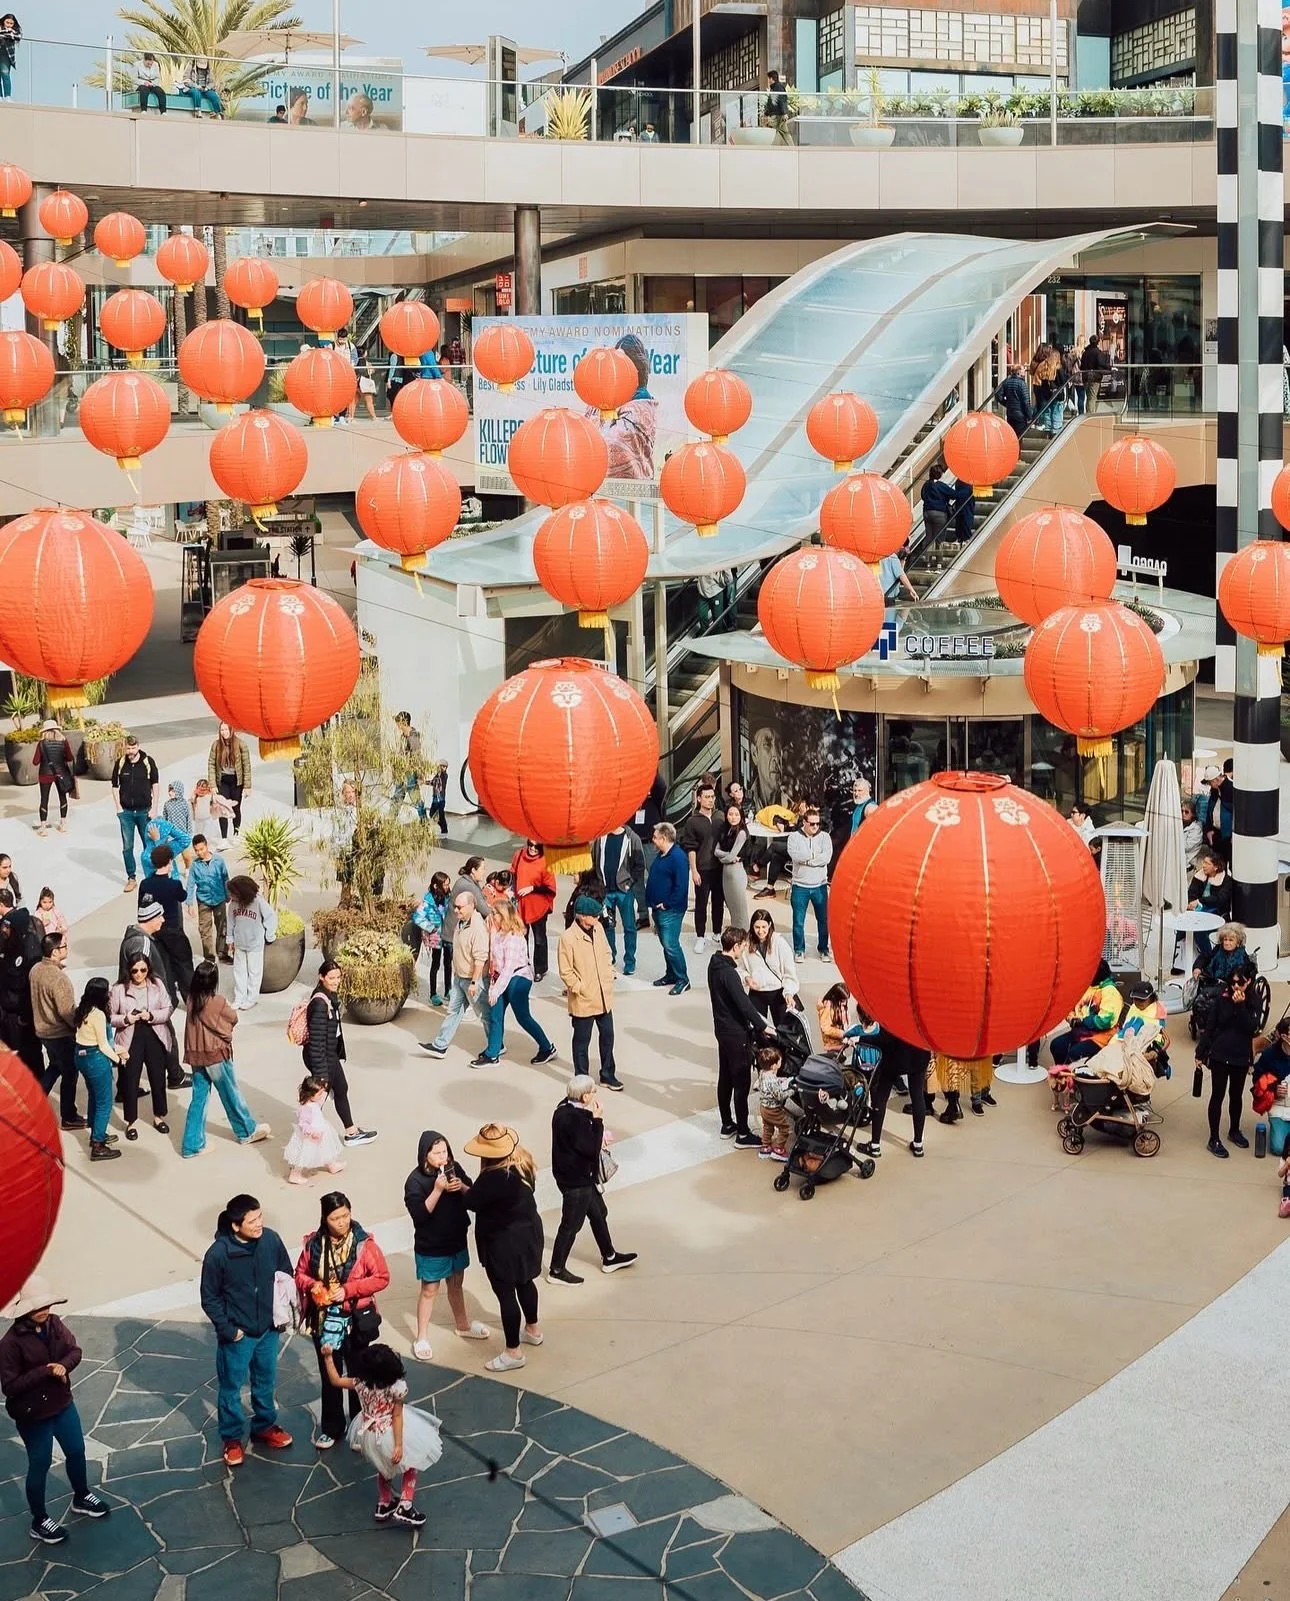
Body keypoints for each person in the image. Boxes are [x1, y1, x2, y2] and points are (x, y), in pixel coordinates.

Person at [0, 1277, 110, 1545]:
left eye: (47, 1304)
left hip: (61, 1404)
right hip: (33, 1415)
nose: (45, 1309)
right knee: (40, 1464)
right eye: (39, 1306)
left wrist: (63, 1366)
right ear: (24, 1308)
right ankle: (40, 1521)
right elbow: (10, 1386)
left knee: (76, 1450)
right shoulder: (10, 1344)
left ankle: (81, 1495)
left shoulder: (55, 1325)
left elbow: (75, 1351)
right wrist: (46, 1370)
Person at [199, 1195, 294, 1467]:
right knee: (231, 1388)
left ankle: (265, 1426)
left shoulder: (271, 1240)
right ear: (236, 1226)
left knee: (265, 1382)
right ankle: (231, 1438)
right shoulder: (218, 1254)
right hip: (238, 1337)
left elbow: (284, 1273)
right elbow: (210, 1298)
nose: (259, 1224)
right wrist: (230, 1330)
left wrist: (280, 1311)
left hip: (267, 1330)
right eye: (252, 1221)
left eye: (260, 1217)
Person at [294, 1191, 390, 1450]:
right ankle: (332, 1427)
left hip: (355, 1319)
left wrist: (349, 1290)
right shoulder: (313, 1245)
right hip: (324, 1321)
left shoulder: (364, 1244)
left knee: (358, 1374)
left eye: (345, 1215)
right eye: (335, 1217)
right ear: (325, 1219)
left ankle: (361, 1426)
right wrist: (314, 1285)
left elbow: (381, 1277)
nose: (342, 1222)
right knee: (330, 1375)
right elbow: (299, 1273)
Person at [320, 1343, 439, 1528]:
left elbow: (335, 1380)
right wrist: (399, 1444)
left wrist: (328, 1358)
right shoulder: (396, 1388)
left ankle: (384, 1503)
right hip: (389, 1432)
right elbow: (397, 1416)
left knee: (383, 1467)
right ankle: (405, 1505)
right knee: (411, 1465)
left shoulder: (359, 1383)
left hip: (368, 1433)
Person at [463, 1124, 544, 1371]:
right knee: (526, 1282)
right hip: (529, 1235)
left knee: (506, 1294)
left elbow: (471, 1201)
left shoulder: (493, 1177)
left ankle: (513, 1352)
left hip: (504, 1242)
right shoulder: (523, 1163)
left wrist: (462, 1188)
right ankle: (533, 1329)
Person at [405, 1131, 490, 1362]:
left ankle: (462, 1324)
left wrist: (460, 1186)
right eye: (438, 1152)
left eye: (445, 1151)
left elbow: (473, 1196)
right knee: (429, 1290)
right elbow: (419, 1216)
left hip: (456, 1238)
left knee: (456, 1283)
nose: (443, 1156)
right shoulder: (415, 1181)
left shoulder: (454, 1168)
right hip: (431, 1245)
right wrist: (438, 1190)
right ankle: (421, 1337)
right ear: (425, 1155)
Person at [547, 1076, 637, 1284]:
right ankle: (556, 1270)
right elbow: (590, 1148)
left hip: (576, 1177)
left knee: (598, 1214)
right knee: (570, 1225)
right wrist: (597, 1120)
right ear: (585, 1095)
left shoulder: (562, 1109)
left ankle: (610, 1256)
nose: (595, 1094)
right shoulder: (575, 1119)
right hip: (577, 1181)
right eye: (593, 1091)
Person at [182, 960, 269, 1158]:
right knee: (231, 1094)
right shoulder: (217, 1002)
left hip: (196, 1055)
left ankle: (191, 1145)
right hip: (215, 1055)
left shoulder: (191, 999)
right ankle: (246, 1131)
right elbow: (233, 1018)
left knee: (199, 1099)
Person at [708, 926, 779, 1145]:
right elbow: (744, 1005)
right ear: (736, 946)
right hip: (736, 1033)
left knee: (725, 1077)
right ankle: (742, 1133)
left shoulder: (714, 964)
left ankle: (727, 1123)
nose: (744, 950)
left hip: (721, 1030)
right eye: (743, 946)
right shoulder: (729, 974)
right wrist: (763, 1026)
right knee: (741, 1082)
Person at [475, 900, 557, 1069]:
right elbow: (495, 963)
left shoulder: (514, 937)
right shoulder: (498, 933)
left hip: (518, 978)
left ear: (504, 915)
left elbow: (509, 968)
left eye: (495, 914)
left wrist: (495, 991)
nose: (492, 917)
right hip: (502, 977)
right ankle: (493, 1053)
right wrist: (493, 986)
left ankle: (547, 1047)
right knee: (495, 1015)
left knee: (523, 1017)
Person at [303, 959, 376, 1146]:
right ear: (321, 977)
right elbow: (316, 1041)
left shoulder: (329, 996)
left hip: (329, 1055)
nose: (336, 981)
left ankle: (351, 1131)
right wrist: (321, 1075)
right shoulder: (320, 1003)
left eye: (338, 977)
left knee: (340, 1089)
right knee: (317, 1100)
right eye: (331, 977)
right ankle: (307, 1139)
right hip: (322, 1058)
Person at [558, 897, 621, 1090]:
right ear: (582, 917)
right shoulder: (567, 938)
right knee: (581, 1041)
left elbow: (607, 953)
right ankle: (582, 1079)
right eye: (594, 916)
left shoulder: (598, 929)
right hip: (584, 999)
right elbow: (565, 970)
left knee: (608, 1035)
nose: (597, 918)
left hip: (603, 995)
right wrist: (579, 988)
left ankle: (608, 1074)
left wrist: (610, 973)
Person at [1197, 963, 1260, 1158]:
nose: (1235, 987)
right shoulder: (1221, 998)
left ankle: (1234, 1130)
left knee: (1236, 1095)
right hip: (1220, 1053)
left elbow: (1251, 1028)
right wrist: (1201, 1052)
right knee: (1218, 1095)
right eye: (1232, 982)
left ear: (1249, 981)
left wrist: (1240, 1006)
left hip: (1240, 1055)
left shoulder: (1254, 1001)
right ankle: (1213, 1138)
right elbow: (1211, 1025)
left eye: (1240, 983)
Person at [110, 951, 175, 1140]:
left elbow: (167, 1009)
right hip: (130, 1036)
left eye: (143, 970)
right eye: (134, 971)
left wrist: (152, 1015)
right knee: (130, 1080)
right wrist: (126, 1018)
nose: (139, 974)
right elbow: (111, 1016)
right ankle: (131, 1121)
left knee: (157, 1077)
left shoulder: (157, 985)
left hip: (153, 1033)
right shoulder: (118, 989)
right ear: (128, 971)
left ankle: (159, 1116)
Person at [422, 889, 493, 1058]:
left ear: (471, 906)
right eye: (455, 907)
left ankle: (496, 1044)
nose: (456, 910)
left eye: (460, 907)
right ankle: (440, 1045)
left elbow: (480, 958)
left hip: (473, 981)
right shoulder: (461, 922)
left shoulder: (477, 927)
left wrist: (475, 982)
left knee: (485, 1015)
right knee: (453, 1012)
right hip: (460, 978)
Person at [30, 932, 82, 1131]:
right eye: (64, 946)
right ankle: (68, 1116)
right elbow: (67, 1012)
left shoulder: (35, 969)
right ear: (54, 952)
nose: (67, 948)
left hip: (42, 1032)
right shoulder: (59, 979)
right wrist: (79, 1025)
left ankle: (36, 1104)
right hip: (60, 1034)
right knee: (69, 1073)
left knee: (55, 1067)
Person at [595, 333, 657, 480]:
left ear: (636, 367)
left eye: (622, 364)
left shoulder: (641, 404)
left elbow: (612, 446)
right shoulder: (612, 399)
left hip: (633, 493)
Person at [861, 1026, 929, 1159]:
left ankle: (875, 1145)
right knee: (917, 1096)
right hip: (920, 1054)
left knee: (881, 1098)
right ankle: (918, 1144)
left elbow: (884, 1039)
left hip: (894, 1058)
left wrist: (859, 1038)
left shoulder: (892, 1007)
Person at [73, 979, 122, 1161]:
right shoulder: (98, 1015)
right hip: (95, 1058)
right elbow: (103, 1045)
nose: (109, 994)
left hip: (81, 1056)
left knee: (94, 1096)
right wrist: (118, 1060)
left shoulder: (83, 1010)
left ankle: (96, 1132)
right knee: (105, 1103)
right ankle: (98, 1145)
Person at [1048, 959, 1123, 1064]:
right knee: (1057, 1045)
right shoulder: (1085, 987)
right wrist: (1071, 1018)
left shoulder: (1110, 992)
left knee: (1075, 1053)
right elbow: (1071, 1008)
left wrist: (1082, 1021)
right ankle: (1062, 1074)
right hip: (1079, 1032)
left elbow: (1106, 1021)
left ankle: (1075, 1076)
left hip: (1101, 1037)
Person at [592, 825, 644, 975]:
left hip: (624, 892)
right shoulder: (600, 837)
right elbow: (593, 861)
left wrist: (629, 884)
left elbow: (640, 865)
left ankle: (630, 961)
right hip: (605, 891)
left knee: (629, 927)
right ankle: (610, 957)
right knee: (607, 925)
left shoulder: (632, 838)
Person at [645, 821, 690, 994]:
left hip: (670, 910)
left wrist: (667, 904)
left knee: (671, 945)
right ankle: (671, 974)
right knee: (666, 944)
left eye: (655, 837)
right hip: (659, 909)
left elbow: (681, 886)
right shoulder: (662, 854)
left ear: (664, 838)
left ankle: (683, 979)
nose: (653, 840)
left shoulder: (678, 857)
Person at [112, 735, 159, 891]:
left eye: (133, 748)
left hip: (144, 810)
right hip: (126, 813)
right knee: (127, 847)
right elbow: (114, 786)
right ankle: (131, 877)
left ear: (138, 746)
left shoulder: (148, 762)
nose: (130, 751)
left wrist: (155, 807)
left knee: (148, 844)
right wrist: (118, 807)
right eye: (128, 748)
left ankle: (152, 875)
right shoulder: (120, 763)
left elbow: (155, 784)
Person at [681, 780, 722, 953]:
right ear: (699, 799)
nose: (710, 800)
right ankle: (700, 936)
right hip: (702, 868)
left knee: (718, 902)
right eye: (706, 797)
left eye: (712, 797)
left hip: (720, 867)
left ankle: (718, 933)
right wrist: (694, 870)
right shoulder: (692, 821)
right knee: (701, 903)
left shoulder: (720, 816)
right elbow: (691, 848)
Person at [740, 908, 799, 1027]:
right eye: (757, 927)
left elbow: (789, 972)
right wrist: (746, 978)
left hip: (778, 992)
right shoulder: (746, 944)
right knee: (756, 1030)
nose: (760, 931)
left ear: (770, 925)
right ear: (752, 926)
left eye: (763, 927)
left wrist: (789, 993)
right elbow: (741, 967)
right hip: (757, 992)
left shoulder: (780, 943)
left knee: (784, 1031)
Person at [0, 900, 41, 1073]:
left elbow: (30, 987)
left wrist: (25, 1016)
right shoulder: (7, 947)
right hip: (6, 1015)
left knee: (29, 1057)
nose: (4, 930)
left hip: (21, 1019)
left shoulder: (29, 951)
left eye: (8, 928)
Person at [226, 874, 277, 1011]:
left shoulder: (258, 902)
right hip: (239, 943)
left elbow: (270, 917)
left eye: (233, 893)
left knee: (254, 972)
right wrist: (230, 939)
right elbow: (230, 922)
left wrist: (270, 935)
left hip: (255, 944)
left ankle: (251, 998)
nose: (230, 895)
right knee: (239, 971)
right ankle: (239, 997)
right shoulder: (233, 905)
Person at [787, 807, 832, 961]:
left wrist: (807, 859)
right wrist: (813, 856)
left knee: (823, 920)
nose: (815, 827)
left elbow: (826, 858)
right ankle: (799, 949)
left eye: (817, 824)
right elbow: (795, 855)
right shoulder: (793, 837)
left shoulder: (825, 837)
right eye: (812, 824)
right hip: (800, 885)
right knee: (798, 921)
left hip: (819, 885)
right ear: (804, 822)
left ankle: (823, 948)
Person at [510, 840, 557, 982]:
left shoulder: (545, 861)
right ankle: (522, 965)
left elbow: (550, 887)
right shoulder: (519, 855)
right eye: (530, 845)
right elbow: (513, 873)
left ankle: (540, 969)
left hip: (538, 906)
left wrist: (532, 888)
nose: (533, 848)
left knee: (539, 939)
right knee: (521, 938)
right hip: (521, 905)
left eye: (536, 846)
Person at [286, 1077, 347, 1184]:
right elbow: (303, 1124)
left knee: (326, 1148)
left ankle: (331, 1165)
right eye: (319, 1094)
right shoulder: (306, 1108)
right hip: (311, 1135)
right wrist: (311, 1132)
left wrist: (324, 1085)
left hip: (321, 1131)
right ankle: (295, 1174)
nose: (321, 1096)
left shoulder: (314, 1101)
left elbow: (323, 1095)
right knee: (304, 1155)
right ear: (310, 1094)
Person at [187, 834, 231, 962]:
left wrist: (228, 894)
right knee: (205, 930)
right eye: (196, 850)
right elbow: (190, 884)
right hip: (204, 901)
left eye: (201, 849)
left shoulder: (219, 861)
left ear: (206, 846)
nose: (199, 852)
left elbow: (225, 878)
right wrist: (189, 904)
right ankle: (209, 957)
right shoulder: (195, 866)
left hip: (219, 899)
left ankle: (223, 953)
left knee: (222, 926)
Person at [208, 723, 251, 845]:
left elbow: (246, 766)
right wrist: (212, 785)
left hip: (237, 781)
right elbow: (211, 764)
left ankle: (236, 833)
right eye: (222, 729)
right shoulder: (216, 745)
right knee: (222, 808)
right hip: (222, 780)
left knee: (236, 808)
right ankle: (223, 838)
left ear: (231, 730)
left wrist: (247, 786)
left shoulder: (241, 744)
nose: (224, 732)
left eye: (226, 729)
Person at [413, 872, 452, 1005]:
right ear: (436, 885)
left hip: (447, 934)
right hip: (435, 937)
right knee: (435, 964)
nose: (447, 887)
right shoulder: (428, 901)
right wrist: (430, 928)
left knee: (448, 962)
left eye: (448, 884)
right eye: (445, 884)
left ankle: (448, 990)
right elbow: (417, 917)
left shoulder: (448, 897)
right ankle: (433, 994)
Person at [34, 720, 76, 837]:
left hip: (45, 774)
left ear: (44, 731)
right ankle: (63, 824)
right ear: (57, 730)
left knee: (44, 800)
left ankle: (43, 828)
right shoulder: (64, 742)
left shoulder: (41, 744)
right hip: (60, 774)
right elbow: (70, 757)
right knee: (62, 798)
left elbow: (35, 761)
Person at [714, 802, 750, 931]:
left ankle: (745, 935)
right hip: (726, 873)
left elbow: (729, 857)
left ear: (741, 816)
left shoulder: (741, 833)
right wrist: (728, 856)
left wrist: (725, 857)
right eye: (730, 814)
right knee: (732, 908)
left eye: (736, 814)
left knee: (740, 909)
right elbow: (716, 851)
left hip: (736, 873)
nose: (733, 817)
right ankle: (736, 936)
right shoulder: (725, 830)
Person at [139, 843, 187, 930]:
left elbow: (141, 907)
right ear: (169, 861)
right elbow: (183, 896)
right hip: (172, 929)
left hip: (153, 929)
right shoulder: (174, 885)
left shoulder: (145, 884)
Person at [392, 712, 427, 818]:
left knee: (416, 799)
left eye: (398, 722)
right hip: (402, 772)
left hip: (410, 773)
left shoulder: (413, 737)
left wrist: (420, 775)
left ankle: (424, 822)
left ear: (404, 722)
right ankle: (390, 821)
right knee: (397, 797)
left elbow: (417, 757)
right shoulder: (404, 737)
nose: (397, 725)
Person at [1200, 763, 1234, 860]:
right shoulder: (1214, 791)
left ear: (1216, 780)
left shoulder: (1230, 789)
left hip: (1227, 835)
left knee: (1229, 863)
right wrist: (1208, 830)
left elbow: (1237, 814)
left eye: (1210, 783)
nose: (1209, 785)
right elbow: (1209, 810)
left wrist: (1233, 835)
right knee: (1217, 862)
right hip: (1216, 833)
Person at [816, 982, 852, 1055]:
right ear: (835, 998)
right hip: (833, 1046)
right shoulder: (828, 1008)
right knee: (835, 1064)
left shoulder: (839, 1006)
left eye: (846, 1000)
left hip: (841, 1043)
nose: (844, 1003)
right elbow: (825, 1028)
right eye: (842, 1001)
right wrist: (842, 1033)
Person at [997, 363, 1031, 437]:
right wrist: (1029, 416)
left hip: (1010, 412)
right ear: (1018, 372)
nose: (1025, 371)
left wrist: (1007, 403)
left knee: (1012, 435)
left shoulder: (1006, 382)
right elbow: (1026, 402)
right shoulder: (1022, 384)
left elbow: (998, 395)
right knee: (1019, 436)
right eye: (1023, 370)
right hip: (1020, 413)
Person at [1080, 333, 1110, 412]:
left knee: (1089, 397)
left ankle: (1088, 413)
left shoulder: (1085, 353)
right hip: (1094, 377)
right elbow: (1101, 363)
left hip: (1085, 376)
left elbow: (1081, 366)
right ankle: (1090, 415)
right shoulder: (1097, 352)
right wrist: (1109, 367)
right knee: (1092, 397)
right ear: (1097, 342)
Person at [0, 15, 20, 100]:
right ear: (3, 22)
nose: (9, 25)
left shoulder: (15, 32)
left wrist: (4, 33)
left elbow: (17, 37)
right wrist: (6, 33)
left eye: (11, 23)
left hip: (6, 55)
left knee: (5, 74)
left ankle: (8, 96)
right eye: (7, 22)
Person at [1181, 800, 1204, 868]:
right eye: (1182, 811)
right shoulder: (1180, 825)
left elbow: (1187, 847)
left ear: (1193, 814)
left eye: (1186, 812)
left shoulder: (1196, 829)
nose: (1183, 814)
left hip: (1188, 863)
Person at [427, 761, 449, 832]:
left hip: (441, 799)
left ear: (445, 768)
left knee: (441, 815)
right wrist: (424, 782)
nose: (441, 768)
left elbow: (440, 778)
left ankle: (444, 830)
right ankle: (443, 827)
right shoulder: (436, 776)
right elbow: (432, 782)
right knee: (432, 814)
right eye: (440, 766)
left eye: (443, 766)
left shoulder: (444, 776)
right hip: (435, 798)